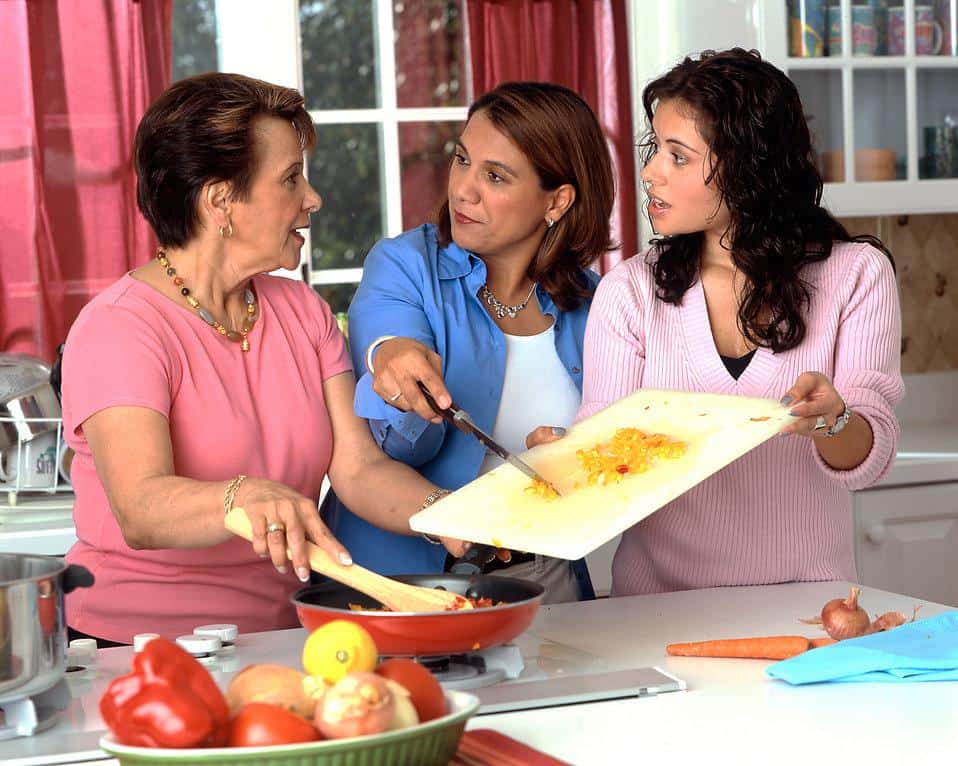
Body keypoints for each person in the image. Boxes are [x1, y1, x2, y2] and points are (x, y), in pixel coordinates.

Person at [61, 73, 460, 645]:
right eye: (291, 179)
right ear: (221, 200)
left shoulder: (303, 311)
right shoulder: (121, 327)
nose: (313, 199)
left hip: (280, 636)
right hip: (130, 648)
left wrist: (455, 514)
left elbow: (357, 470)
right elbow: (141, 508)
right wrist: (242, 494)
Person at [577, 49, 903, 596]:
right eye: (656, 149)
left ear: (749, 166)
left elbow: (869, 458)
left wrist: (832, 419)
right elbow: (604, 453)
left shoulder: (857, 274)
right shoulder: (629, 291)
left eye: (678, 157)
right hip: (652, 608)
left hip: (807, 603)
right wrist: (565, 454)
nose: (651, 172)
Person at [323, 82, 616, 603]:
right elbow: (398, 420)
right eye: (462, 160)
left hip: (546, 580)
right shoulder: (403, 265)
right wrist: (395, 364)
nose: (463, 189)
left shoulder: (598, 304)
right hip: (399, 584)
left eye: (495, 176)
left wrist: (572, 459)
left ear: (558, 200)